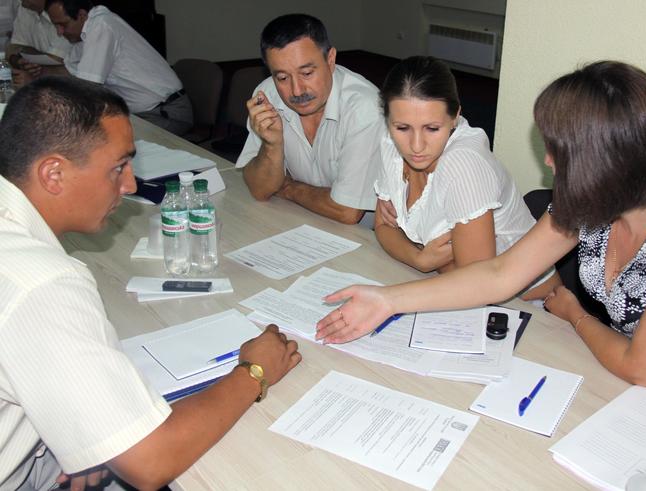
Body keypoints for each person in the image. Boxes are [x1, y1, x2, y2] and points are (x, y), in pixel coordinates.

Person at [315, 61, 646, 398]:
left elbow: (641, 368)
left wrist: (576, 315)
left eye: (558, 150)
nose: (548, 162)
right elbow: (499, 273)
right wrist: (387, 300)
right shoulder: (591, 202)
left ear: (604, 157)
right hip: (631, 377)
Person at [0, 76, 301, 490]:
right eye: (118, 168)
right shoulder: (44, 283)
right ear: (53, 174)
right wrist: (254, 371)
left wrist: (91, 435)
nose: (129, 185)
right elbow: (150, 462)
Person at [374, 56, 558, 298]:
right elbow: (382, 227)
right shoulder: (389, 141)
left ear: (455, 117)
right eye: (402, 128)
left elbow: (476, 283)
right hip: (444, 281)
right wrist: (420, 259)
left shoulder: (464, 164)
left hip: (525, 302)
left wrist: (420, 255)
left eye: (432, 128)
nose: (416, 146)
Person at [237, 13, 382, 225]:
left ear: (330, 60)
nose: (297, 90)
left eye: (306, 73)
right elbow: (260, 190)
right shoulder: (267, 96)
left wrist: (288, 187)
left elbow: (347, 211)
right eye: (282, 77)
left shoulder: (365, 108)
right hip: (301, 218)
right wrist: (271, 145)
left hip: (366, 234)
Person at [43, 0, 193, 136]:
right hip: (139, 114)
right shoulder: (85, 34)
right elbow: (70, 71)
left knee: (96, 140)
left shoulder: (102, 26)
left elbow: (87, 89)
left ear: (81, 15)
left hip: (166, 113)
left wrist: (52, 109)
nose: (59, 32)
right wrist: (40, 71)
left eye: (63, 25)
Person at [6, 0, 71, 84]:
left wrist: (28, 59)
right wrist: (18, 61)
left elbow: (57, 61)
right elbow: (11, 49)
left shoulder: (62, 10)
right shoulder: (25, 8)